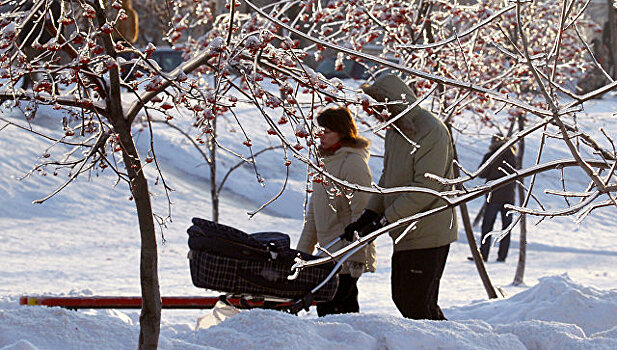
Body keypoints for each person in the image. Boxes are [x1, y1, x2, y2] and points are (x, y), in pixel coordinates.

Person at [343, 74, 458, 320]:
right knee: (405, 298)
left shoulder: (431, 131)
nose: (377, 115)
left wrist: (387, 219)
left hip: (429, 229)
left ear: (395, 103)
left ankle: (442, 343)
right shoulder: (397, 132)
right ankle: (441, 341)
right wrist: (370, 214)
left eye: (381, 108)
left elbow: (427, 186)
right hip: (406, 230)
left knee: (414, 302)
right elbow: (389, 177)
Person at [296, 106, 377, 317]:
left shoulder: (353, 163)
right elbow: (313, 218)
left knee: (341, 315)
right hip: (328, 256)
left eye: (327, 132)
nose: (321, 137)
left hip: (345, 256)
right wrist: (300, 257)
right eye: (319, 131)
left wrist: (356, 259)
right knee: (327, 313)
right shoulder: (325, 165)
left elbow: (362, 212)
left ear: (342, 132)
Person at [478, 135, 517, 262]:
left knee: (487, 226)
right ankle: (502, 256)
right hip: (509, 197)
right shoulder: (512, 156)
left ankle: (483, 255)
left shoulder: (491, 156)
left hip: (493, 196)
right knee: (506, 228)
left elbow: (481, 174)